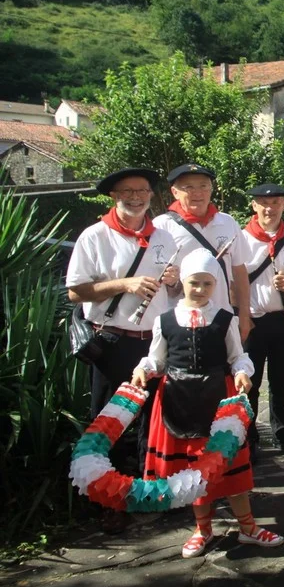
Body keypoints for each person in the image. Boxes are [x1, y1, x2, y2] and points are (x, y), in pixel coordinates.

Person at [132, 249, 284, 558]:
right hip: (178, 400)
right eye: (194, 283)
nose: (200, 289)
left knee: (230, 467)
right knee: (193, 471)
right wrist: (143, 369)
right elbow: (156, 358)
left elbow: (237, 355)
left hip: (218, 401)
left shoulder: (224, 319)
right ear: (183, 282)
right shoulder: (165, 320)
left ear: (215, 284)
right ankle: (203, 529)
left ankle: (247, 527)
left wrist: (241, 372)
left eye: (207, 283)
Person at [66, 167, 179, 534]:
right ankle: (108, 500)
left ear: (151, 195)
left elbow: (174, 291)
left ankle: (150, 489)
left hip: (156, 343)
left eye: (142, 190)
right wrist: (124, 284)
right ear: (114, 196)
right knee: (109, 420)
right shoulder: (94, 236)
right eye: (127, 191)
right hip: (113, 341)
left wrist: (175, 281)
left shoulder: (163, 236)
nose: (135, 197)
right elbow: (76, 291)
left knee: (155, 420)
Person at [239, 183, 284, 457]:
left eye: (276, 202)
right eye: (263, 203)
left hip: (283, 320)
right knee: (250, 382)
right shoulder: (241, 239)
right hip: (252, 321)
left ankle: (282, 432)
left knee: (281, 381)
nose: (270, 208)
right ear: (254, 206)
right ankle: (249, 436)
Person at [153, 163, 253, 342]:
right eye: (189, 187)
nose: (197, 193)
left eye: (203, 186)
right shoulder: (161, 226)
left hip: (221, 317)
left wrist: (244, 315)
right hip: (179, 321)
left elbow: (239, 271)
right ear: (175, 192)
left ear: (211, 190)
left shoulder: (228, 222)